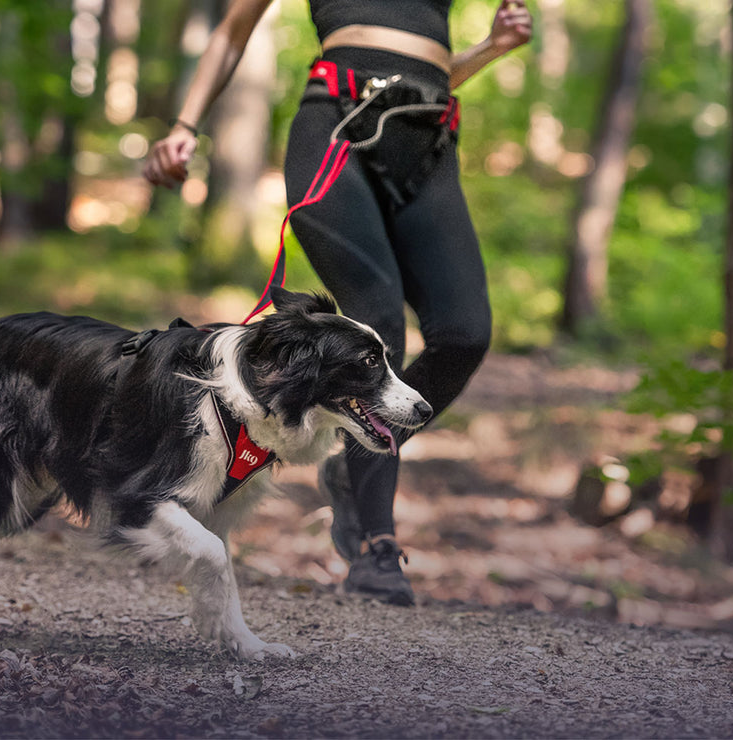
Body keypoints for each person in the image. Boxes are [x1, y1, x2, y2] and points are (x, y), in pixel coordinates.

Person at [143, 0, 532, 605]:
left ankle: (352, 462)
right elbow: (232, 30)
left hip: (428, 137)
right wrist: (185, 127)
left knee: (464, 332)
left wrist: (491, 48)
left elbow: (420, 62)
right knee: (378, 323)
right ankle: (377, 544)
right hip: (337, 126)